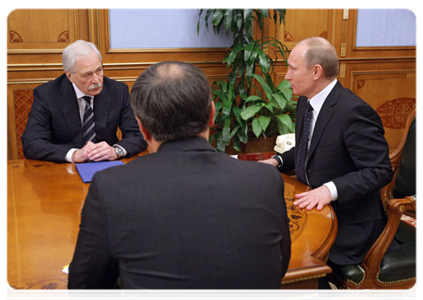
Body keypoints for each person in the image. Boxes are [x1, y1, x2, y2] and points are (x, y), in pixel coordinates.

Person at [68, 61, 291, 300]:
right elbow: (279, 266)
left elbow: (85, 291)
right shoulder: (264, 179)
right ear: (212, 115)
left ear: (142, 128)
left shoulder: (110, 187)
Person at [261, 37, 397, 297]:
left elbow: (379, 170)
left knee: (291, 264)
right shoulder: (306, 100)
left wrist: (329, 190)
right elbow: (308, 149)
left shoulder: (353, 111)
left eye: (292, 68)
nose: (286, 76)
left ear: (316, 71)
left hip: (350, 222)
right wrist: (277, 161)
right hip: (314, 210)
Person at [21, 40, 147, 163]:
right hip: (64, 171)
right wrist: (74, 154)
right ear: (69, 76)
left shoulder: (118, 91)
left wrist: (116, 151)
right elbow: (32, 143)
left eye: (99, 70)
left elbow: (138, 135)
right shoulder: (47, 95)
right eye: (87, 75)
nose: (96, 80)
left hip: (107, 167)